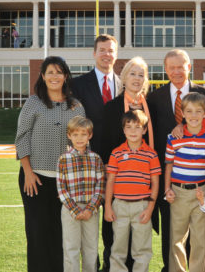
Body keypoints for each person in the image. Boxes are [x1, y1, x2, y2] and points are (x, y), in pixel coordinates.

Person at [145, 49, 205, 272]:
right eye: (172, 67)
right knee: (171, 231)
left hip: (200, 179)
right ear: (165, 69)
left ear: (189, 67)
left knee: (199, 233)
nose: (176, 71)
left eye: (180, 66)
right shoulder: (154, 98)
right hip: (171, 176)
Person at [15, 56, 85, 272]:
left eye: (59, 72)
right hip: (34, 177)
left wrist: (70, 183)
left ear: (65, 76)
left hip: (63, 181)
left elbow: (81, 144)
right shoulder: (34, 102)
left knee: (61, 235)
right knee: (37, 235)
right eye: (50, 72)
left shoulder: (76, 106)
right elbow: (22, 137)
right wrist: (27, 172)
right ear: (43, 76)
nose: (54, 76)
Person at [71, 34, 121, 271]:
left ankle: (111, 265)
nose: (106, 55)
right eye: (102, 50)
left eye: (111, 50)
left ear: (116, 54)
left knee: (112, 219)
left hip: (117, 164)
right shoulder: (78, 85)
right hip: (87, 163)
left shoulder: (123, 83)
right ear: (94, 53)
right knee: (88, 219)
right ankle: (91, 265)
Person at [100, 56, 154, 270]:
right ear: (123, 77)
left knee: (141, 241)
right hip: (119, 187)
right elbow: (105, 145)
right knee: (116, 243)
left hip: (144, 186)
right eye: (133, 73)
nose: (137, 78)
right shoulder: (112, 108)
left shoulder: (152, 107)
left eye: (141, 74)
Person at [164, 92, 205, 272]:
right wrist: (167, 190)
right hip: (178, 193)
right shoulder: (173, 138)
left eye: (198, 111)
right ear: (183, 114)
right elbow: (169, 165)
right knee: (177, 238)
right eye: (189, 111)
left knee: (199, 239)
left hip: (201, 193)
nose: (193, 115)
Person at [104, 110, 161, 272]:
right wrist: (108, 206)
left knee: (142, 250)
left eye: (137, 127)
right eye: (129, 127)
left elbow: (155, 184)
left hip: (142, 206)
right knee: (118, 250)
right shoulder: (116, 153)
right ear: (123, 130)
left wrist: (150, 209)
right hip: (119, 206)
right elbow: (111, 182)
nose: (133, 131)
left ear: (144, 130)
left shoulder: (151, 154)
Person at [57, 115, 105, 272]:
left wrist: (90, 208)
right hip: (70, 211)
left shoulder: (96, 159)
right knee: (71, 249)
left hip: (92, 211)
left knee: (91, 250)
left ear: (89, 135)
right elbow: (61, 189)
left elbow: (100, 186)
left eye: (83, 134)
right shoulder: (63, 159)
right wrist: (75, 210)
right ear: (69, 135)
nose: (79, 138)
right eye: (75, 134)